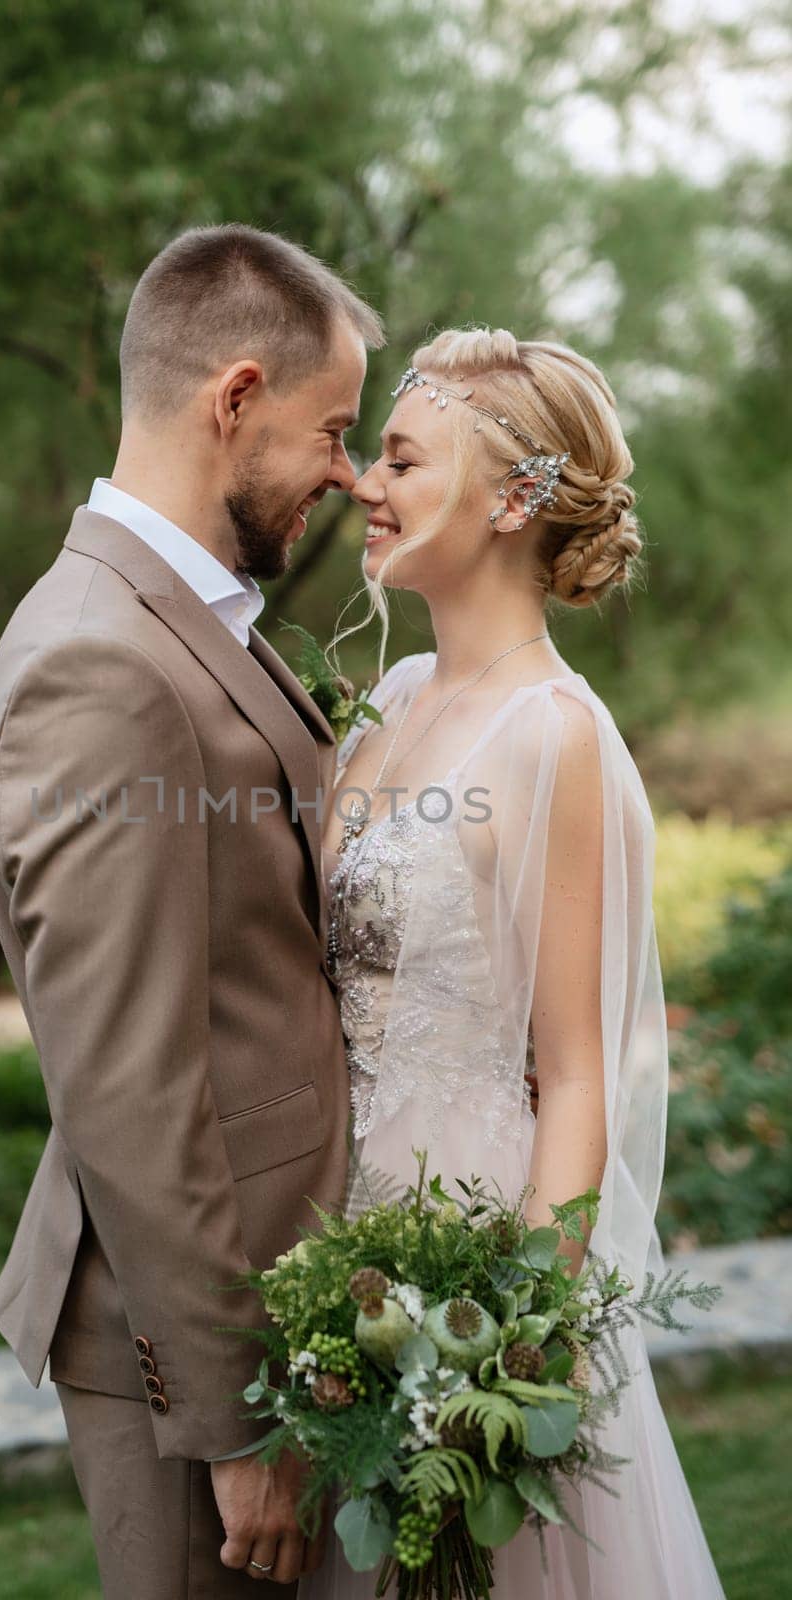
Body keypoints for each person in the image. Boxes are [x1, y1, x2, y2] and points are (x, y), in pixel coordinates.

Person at [0, 223, 384, 1597]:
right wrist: (230, 1418)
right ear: (236, 400)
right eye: (333, 430)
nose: (348, 471)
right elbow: (128, 1085)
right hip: (202, 1361)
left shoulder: (188, 622)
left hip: (284, 1294)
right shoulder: (100, 662)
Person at [301, 327, 725, 1598]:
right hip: (344, 1247)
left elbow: (579, 1075)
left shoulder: (556, 739)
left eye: (400, 458)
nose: (364, 485)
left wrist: (517, 1337)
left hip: (474, 1254)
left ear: (514, 497)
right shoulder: (391, 697)